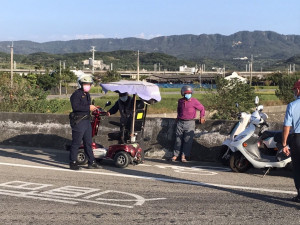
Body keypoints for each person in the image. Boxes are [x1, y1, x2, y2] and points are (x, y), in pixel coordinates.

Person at [69, 74, 101, 170]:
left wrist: (93, 108)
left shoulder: (87, 95)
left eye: (89, 84)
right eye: (85, 84)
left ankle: (92, 162)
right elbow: (76, 107)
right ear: (81, 84)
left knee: (88, 142)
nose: (88, 86)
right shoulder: (76, 95)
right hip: (79, 121)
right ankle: (73, 162)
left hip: (87, 121)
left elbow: (88, 106)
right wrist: (88, 107)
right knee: (76, 143)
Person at [171, 85, 206, 162]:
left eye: (189, 93)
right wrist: (177, 117)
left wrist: (202, 117)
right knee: (178, 139)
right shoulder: (180, 101)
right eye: (186, 93)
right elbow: (179, 110)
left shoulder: (194, 101)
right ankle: (175, 155)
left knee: (187, 140)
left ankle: (184, 155)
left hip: (190, 122)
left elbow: (202, 108)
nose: (188, 94)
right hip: (180, 122)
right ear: (183, 93)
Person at [282, 80, 300, 202]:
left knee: (297, 168)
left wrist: (284, 144)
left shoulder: (292, 105)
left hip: (297, 139)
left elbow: (287, 126)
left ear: (298, 90)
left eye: (295, 89)